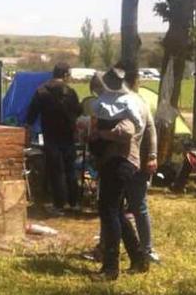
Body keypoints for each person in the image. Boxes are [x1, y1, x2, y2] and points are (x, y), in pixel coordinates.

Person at [89, 68, 148, 281]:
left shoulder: (126, 103)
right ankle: (139, 258)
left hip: (120, 162)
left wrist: (100, 133)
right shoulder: (126, 101)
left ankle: (110, 269)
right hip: (118, 162)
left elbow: (126, 131)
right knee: (117, 212)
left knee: (109, 211)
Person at [25, 62, 82, 215]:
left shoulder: (41, 91)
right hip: (69, 136)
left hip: (50, 136)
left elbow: (31, 116)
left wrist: (28, 131)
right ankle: (74, 202)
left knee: (56, 171)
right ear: (64, 75)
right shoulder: (71, 92)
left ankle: (59, 205)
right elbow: (78, 111)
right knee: (70, 170)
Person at [122, 68, 159, 264]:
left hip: (134, 162)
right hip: (118, 162)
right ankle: (104, 246)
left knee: (138, 206)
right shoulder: (115, 100)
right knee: (112, 208)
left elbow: (151, 130)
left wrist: (151, 156)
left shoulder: (138, 102)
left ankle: (146, 249)